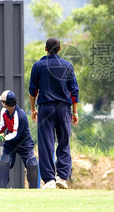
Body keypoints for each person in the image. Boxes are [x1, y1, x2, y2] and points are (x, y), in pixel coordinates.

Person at [29, 37, 79, 189]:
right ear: (59, 49)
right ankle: (62, 177)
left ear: (45, 48)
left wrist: (33, 109)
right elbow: (74, 91)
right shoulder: (67, 66)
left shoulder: (38, 66)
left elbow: (33, 91)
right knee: (64, 142)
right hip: (64, 108)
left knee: (46, 143)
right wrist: (75, 112)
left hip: (46, 107)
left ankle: (49, 179)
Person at [0, 90, 39, 188]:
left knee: (32, 164)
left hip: (24, 143)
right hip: (10, 143)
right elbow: (2, 125)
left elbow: (15, 134)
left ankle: (33, 190)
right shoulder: (4, 112)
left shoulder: (20, 115)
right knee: (4, 161)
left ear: (5, 103)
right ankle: (0, 189)